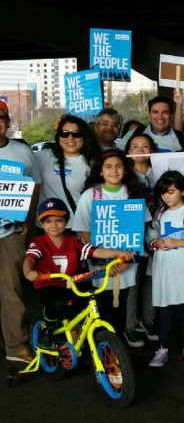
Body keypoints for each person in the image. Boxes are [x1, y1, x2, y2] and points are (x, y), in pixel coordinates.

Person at [23, 198, 134, 348]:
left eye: (59, 220)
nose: (54, 225)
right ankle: (47, 327)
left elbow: (96, 251)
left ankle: (92, 343)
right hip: (50, 285)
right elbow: (29, 259)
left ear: (67, 221)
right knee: (57, 303)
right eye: (48, 221)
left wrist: (119, 253)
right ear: (41, 224)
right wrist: (29, 272)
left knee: (96, 302)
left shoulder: (74, 241)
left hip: (73, 283)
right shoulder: (38, 242)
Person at [72, 149, 150, 335]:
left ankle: (117, 350)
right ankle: (102, 349)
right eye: (108, 167)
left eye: (118, 166)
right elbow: (85, 232)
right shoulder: (90, 196)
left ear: (125, 169)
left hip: (126, 264)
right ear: (100, 171)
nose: (114, 171)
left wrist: (127, 261)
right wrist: (104, 262)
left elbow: (141, 230)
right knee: (102, 308)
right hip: (99, 264)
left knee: (121, 307)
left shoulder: (132, 194)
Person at [146, 171, 184, 367]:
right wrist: (156, 242)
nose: (167, 196)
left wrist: (176, 241)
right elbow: (150, 240)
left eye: (171, 192)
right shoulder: (158, 212)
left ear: (182, 191)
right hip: (164, 268)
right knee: (164, 309)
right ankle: (162, 348)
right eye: (163, 193)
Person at [0, 99, 41, 363]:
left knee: (11, 290)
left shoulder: (22, 151)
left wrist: (28, 216)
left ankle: (16, 345)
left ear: (7, 122)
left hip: (8, 232)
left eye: (1, 118)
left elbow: (35, 184)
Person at [122, 134, 158, 347]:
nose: (140, 149)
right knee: (133, 281)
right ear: (128, 150)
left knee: (151, 279)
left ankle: (149, 320)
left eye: (145, 145)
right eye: (135, 146)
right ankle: (130, 325)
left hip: (158, 231)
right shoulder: (125, 175)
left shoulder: (160, 170)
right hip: (134, 232)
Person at [35, 114, 100, 230]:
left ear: (85, 137)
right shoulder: (42, 157)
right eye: (64, 133)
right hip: (47, 227)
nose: (70, 138)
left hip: (79, 226)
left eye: (76, 134)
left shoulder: (95, 163)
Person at [117, 96, 184, 152]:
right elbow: (115, 154)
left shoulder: (182, 139)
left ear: (171, 116)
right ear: (149, 115)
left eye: (165, 112)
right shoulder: (136, 133)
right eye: (155, 112)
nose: (160, 117)